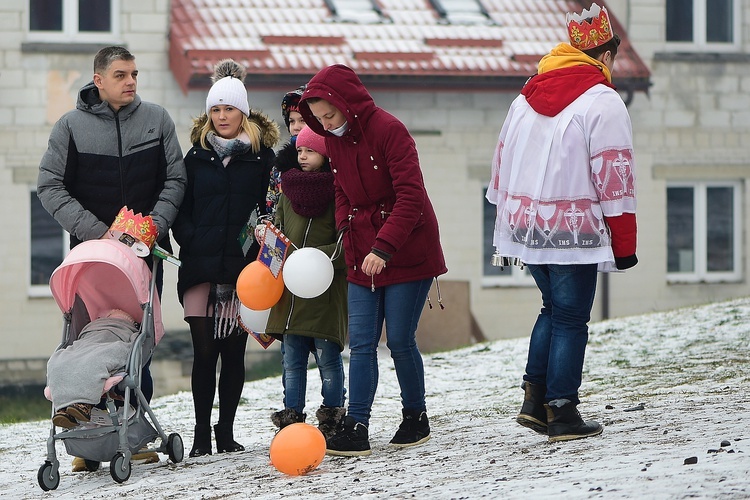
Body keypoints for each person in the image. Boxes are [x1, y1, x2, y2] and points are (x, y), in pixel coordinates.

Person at [486, 3, 638, 443]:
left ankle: (534, 400)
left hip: (527, 226)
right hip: (575, 229)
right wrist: (624, 243)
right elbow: (615, 178)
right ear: (606, 56)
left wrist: (507, 216)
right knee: (572, 316)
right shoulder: (603, 101)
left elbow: (501, 162)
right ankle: (562, 409)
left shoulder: (525, 96)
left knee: (553, 308)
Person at [37, 45, 186, 467]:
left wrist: (152, 225)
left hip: (144, 254)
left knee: (139, 345)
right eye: (121, 75)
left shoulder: (157, 120)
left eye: (134, 74)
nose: (131, 82)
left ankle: (132, 436)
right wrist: (97, 233)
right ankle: (89, 442)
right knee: (90, 347)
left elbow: (175, 178)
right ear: (98, 80)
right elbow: (49, 187)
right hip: (91, 261)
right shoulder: (70, 127)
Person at [298, 65, 448, 456]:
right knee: (362, 343)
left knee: (399, 340)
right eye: (319, 118)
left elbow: (412, 197)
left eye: (330, 115)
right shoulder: (337, 142)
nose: (327, 124)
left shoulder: (390, 131)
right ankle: (357, 425)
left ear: (347, 103)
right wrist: (347, 229)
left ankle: (415, 416)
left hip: (407, 248)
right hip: (362, 254)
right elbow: (342, 191)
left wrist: (383, 247)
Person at [171, 59, 280, 457]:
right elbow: (181, 209)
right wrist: (191, 238)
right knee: (204, 353)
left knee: (234, 354)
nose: (221, 117)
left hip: (243, 273)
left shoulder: (263, 160)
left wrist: (255, 250)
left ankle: (226, 432)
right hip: (200, 268)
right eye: (215, 109)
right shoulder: (195, 158)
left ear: (243, 112)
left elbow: (271, 210)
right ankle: (201, 434)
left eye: (229, 109)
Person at [266, 125, 347, 440]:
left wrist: (310, 260)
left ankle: (332, 416)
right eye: (299, 151)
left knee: (328, 360)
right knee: (292, 362)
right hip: (289, 298)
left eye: (310, 151)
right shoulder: (287, 194)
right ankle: (291, 419)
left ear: (325, 155)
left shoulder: (338, 194)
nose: (302, 156)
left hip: (324, 294)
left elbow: (344, 245)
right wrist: (271, 248)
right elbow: (279, 236)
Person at [48, 309, 139, 429]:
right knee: (63, 360)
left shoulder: (124, 327)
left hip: (107, 342)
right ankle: (76, 407)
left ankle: (68, 409)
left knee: (92, 363)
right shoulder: (95, 326)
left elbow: (127, 344)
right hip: (88, 342)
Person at [266, 85, 306, 216]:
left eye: (302, 120)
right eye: (291, 121)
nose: (296, 127)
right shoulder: (280, 166)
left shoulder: (332, 162)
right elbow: (271, 208)